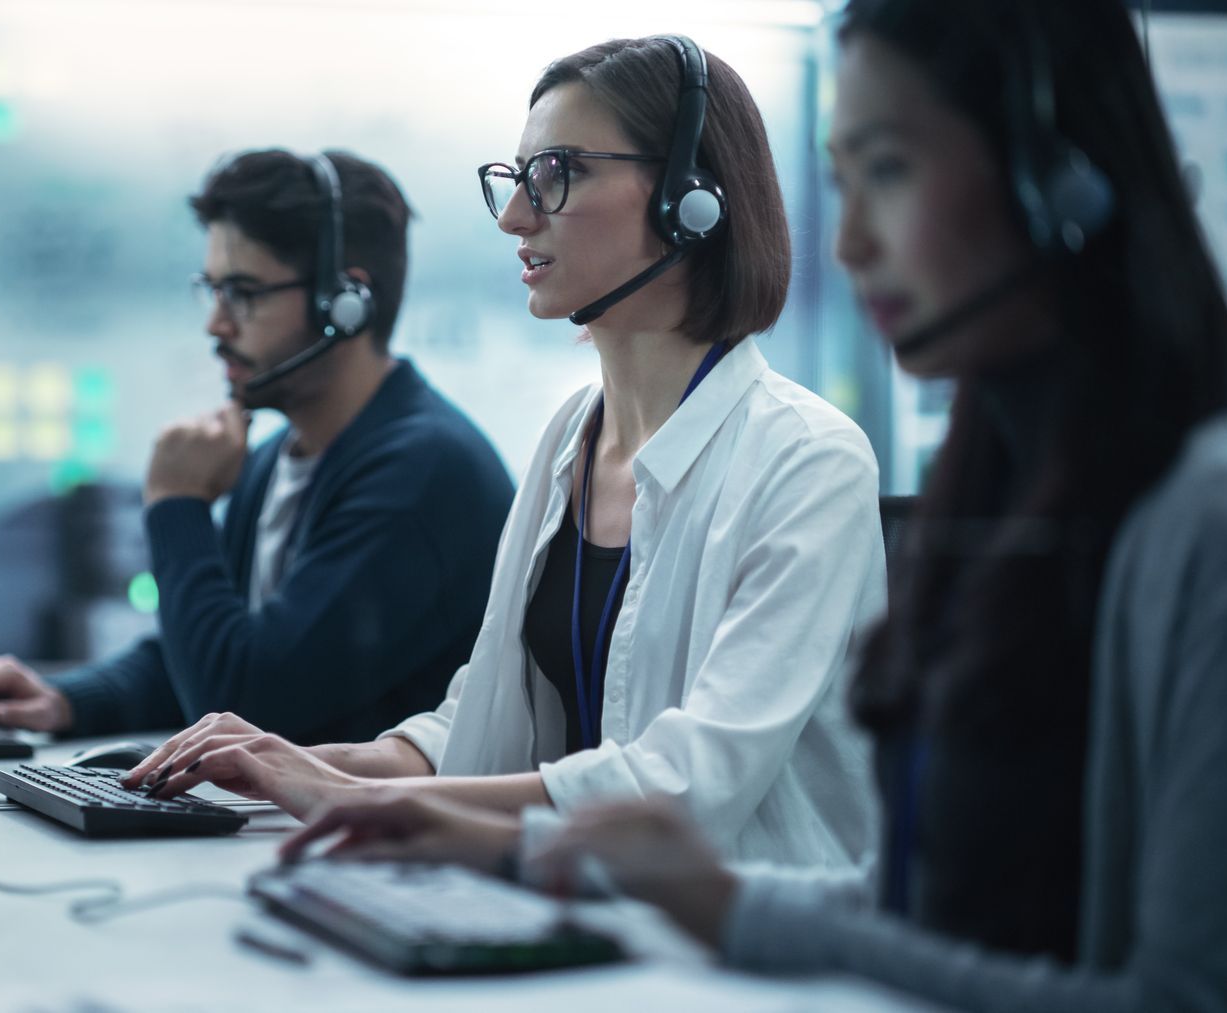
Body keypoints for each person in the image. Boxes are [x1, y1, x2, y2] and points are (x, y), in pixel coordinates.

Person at [281, 3, 1227, 1010]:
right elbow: (917, 899)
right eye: (845, 179)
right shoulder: (1002, 497)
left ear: (1058, 182)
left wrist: (715, 901)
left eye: (890, 169)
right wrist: (574, 856)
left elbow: (1195, 997)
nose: (850, 243)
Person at [129, 37, 886, 871]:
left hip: (744, 950)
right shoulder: (571, 437)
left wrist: (362, 797)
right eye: (517, 178)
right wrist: (294, 762)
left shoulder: (808, 461)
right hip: (588, 908)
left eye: (558, 172)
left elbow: (686, 785)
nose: (515, 217)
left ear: (689, 198)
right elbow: (481, 720)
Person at [0, 149, 514, 745]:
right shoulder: (273, 458)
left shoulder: (419, 472)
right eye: (210, 290)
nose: (215, 324)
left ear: (345, 303)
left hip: (382, 833)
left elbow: (245, 705)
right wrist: (63, 699)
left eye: (242, 293)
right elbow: (202, 654)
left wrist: (176, 505)